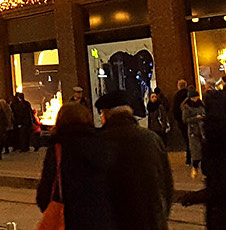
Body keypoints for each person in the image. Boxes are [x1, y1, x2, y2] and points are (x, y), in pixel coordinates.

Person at [96, 89, 173, 229]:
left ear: (107, 115)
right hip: (151, 220)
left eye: (101, 113)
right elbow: (167, 183)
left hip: (117, 221)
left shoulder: (101, 142)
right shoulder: (151, 139)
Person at [34, 102, 114, 230]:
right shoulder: (102, 144)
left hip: (69, 219)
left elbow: (44, 193)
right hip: (101, 219)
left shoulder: (58, 149)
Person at [182, 89, 206, 176]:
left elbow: (205, 113)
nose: (195, 99)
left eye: (196, 97)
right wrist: (196, 118)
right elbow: (185, 120)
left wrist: (203, 117)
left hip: (202, 130)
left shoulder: (201, 104)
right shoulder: (187, 107)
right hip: (193, 131)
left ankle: (205, 171)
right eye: (193, 97)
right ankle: (195, 167)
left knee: (203, 150)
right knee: (196, 150)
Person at [170, 80, 192, 165]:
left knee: (186, 139)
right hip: (192, 119)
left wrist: (178, 120)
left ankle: (189, 158)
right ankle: (194, 156)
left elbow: (175, 109)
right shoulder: (189, 94)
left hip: (182, 121)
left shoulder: (177, 96)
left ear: (179, 86)